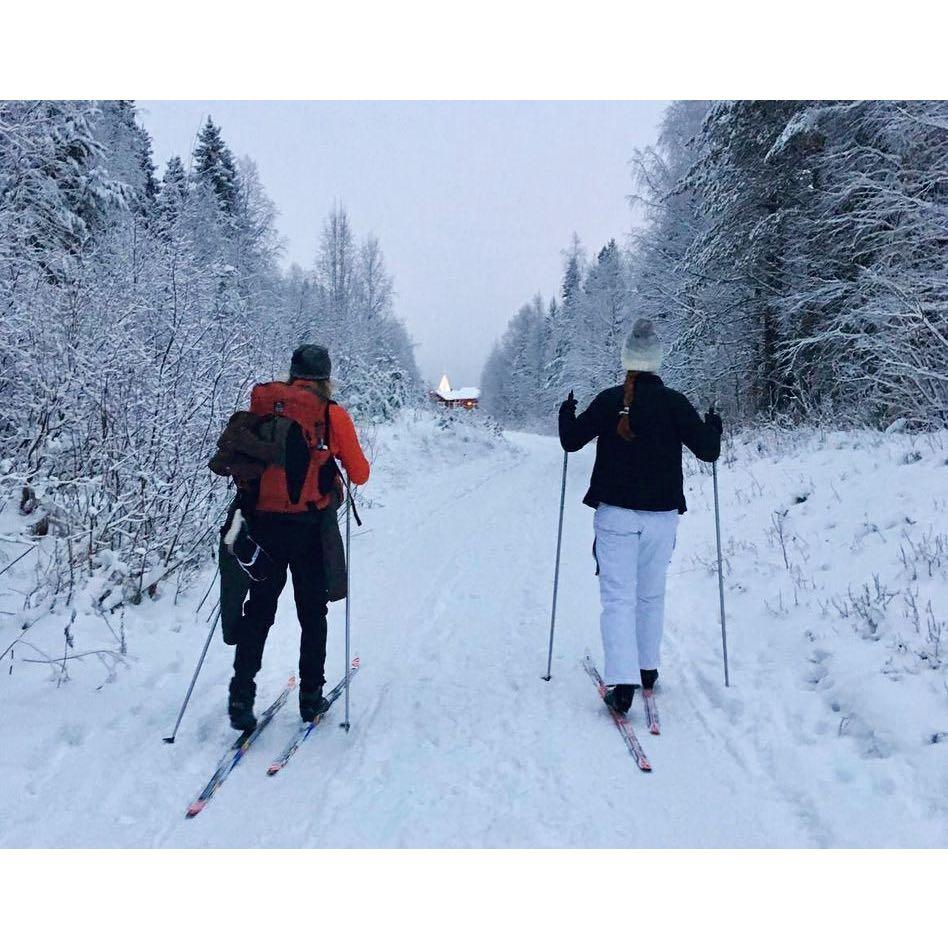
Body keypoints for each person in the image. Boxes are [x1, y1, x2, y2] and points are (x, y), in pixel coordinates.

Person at [558, 319, 722, 714]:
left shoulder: (610, 399)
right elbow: (708, 451)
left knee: (618, 598)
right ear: (658, 361)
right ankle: (647, 669)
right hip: (662, 517)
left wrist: (567, 411)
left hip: (615, 515)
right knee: (650, 593)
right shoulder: (676, 403)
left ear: (626, 359)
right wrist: (714, 424)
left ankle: (624, 682)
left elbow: (571, 440)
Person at [227, 344, 370, 731]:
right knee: (312, 611)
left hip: (263, 526)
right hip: (309, 528)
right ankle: (310, 697)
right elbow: (360, 474)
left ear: (292, 375)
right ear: (326, 378)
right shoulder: (331, 414)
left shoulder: (267, 407)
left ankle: (241, 694)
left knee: (259, 609)